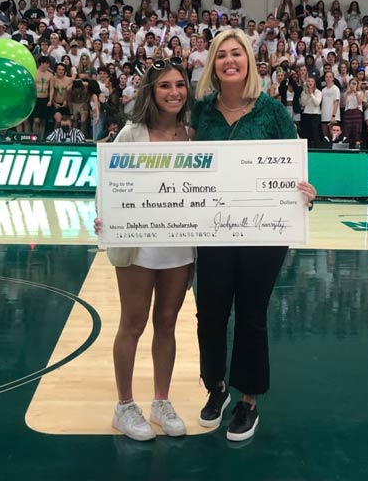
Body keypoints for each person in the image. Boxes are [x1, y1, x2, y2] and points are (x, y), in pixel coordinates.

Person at [190, 29, 316, 441]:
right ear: (213, 64)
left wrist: (304, 193)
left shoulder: (273, 111)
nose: (230, 61)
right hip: (213, 230)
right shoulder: (201, 112)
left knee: (251, 314)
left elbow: (292, 170)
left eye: (237, 54)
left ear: (249, 61)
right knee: (209, 313)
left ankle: (248, 401)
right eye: (222, 55)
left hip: (263, 235)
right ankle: (216, 387)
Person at [95, 57, 193, 442]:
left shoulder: (195, 134)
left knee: (167, 324)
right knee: (133, 323)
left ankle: (161, 401)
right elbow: (109, 182)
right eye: (165, 86)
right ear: (151, 92)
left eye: (180, 85)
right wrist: (106, 216)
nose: (174, 92)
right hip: (139, 243)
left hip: (181, 246)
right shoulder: (131, 134)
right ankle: (124, 406)